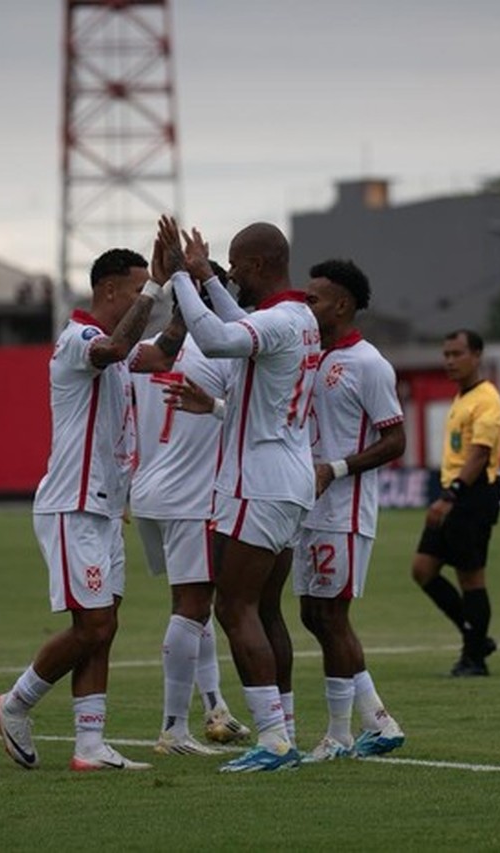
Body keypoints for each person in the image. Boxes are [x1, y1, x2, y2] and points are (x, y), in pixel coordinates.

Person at [0, 245, 184, 773]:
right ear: (110, 289)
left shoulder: (114, 346)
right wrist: (158, 289)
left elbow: (161, 353)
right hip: (72, 503)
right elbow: (115, 351)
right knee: (93, 625)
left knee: (105, 625)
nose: (149, 296)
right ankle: (15, 704)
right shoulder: (80, 339)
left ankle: (90, 746)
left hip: (103, 508)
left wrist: (192, 290)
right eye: (140, 287)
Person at [159, 216, 320, 772]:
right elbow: (237, 324)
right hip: (287, 477)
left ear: (255, 265)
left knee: (233, 605)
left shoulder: (277, 322)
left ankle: (274, 739)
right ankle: (286, 727)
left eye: (235, 266)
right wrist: (204, 282)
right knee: (265, 607)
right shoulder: (299, 318)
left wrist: (185, 277)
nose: (233, 279)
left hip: (261, 480)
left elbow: (216, 337)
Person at [130, 263, 253, 756]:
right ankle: (173, 730)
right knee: (193, 606)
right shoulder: (223, 350)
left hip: (150, 492)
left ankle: (216, 708)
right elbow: (248, 417)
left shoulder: (148, 352)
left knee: (190, 605)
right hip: (194, 495)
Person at [294, 259, 407, 761]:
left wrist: (335, 470)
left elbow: (396, 439)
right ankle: (378, 721)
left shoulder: (369, 363)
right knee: (313, 615)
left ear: (341, 304)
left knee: (332, 617)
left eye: (313, 298)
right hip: (308, 508)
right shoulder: (310, 357)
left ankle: (339, 735)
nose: (305, 305)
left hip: (345, 509)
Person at [411, 330, 500, 678]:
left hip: (472, 495)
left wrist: (450, 496)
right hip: (454, 492)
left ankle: (474, 658)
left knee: (470, 577)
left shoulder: (487, 399)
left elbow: (480, 453)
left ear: (477, 355)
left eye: (457, 353)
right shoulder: (463, 397)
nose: (449, 360)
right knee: (423, 569)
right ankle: (475, 636)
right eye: (446, 354)